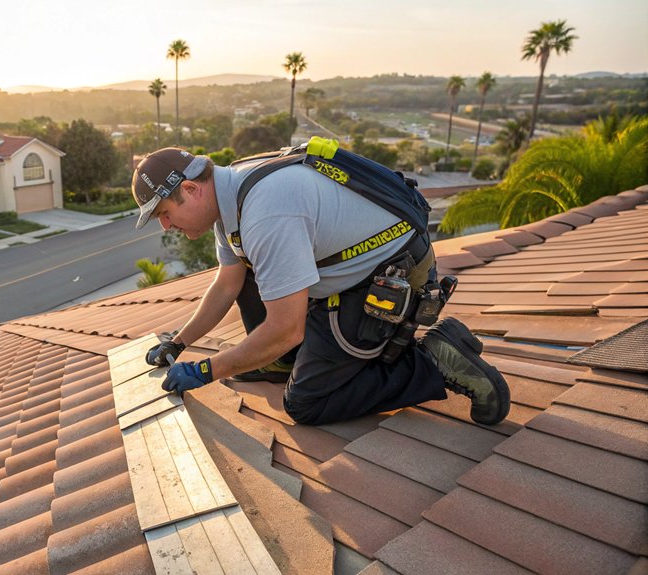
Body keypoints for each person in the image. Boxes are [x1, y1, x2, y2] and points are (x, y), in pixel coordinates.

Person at [133, 144, 510, 425]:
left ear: (192, 189)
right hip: (344, 273)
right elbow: (228, 284)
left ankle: (433, 360)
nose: (167, 227)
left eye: (165, 214)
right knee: (248, 299)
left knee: (306, 404)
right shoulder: (229, 194)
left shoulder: (266, 211)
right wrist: (178, 343)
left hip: (385, 279)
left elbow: (285, 328)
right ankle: (287, 360)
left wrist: (206, 371)